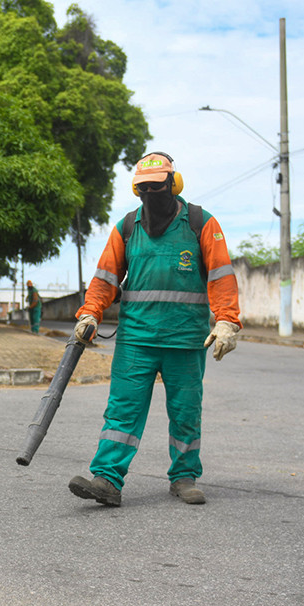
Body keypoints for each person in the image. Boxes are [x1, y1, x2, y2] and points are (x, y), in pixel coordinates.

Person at [68, 152, 241, 507]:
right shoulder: (127, 228)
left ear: (173, 185)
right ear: (137, 191)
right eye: (144, 188)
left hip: (186, 339)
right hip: (136, 339)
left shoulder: (200, 222)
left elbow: (221, 275)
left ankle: (184, 477)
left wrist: (227, 320)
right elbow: (105, 279)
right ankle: (107, 480)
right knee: (122, 411)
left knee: (186, 411)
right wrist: (90, 315)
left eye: (157, 186)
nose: (152, 193)